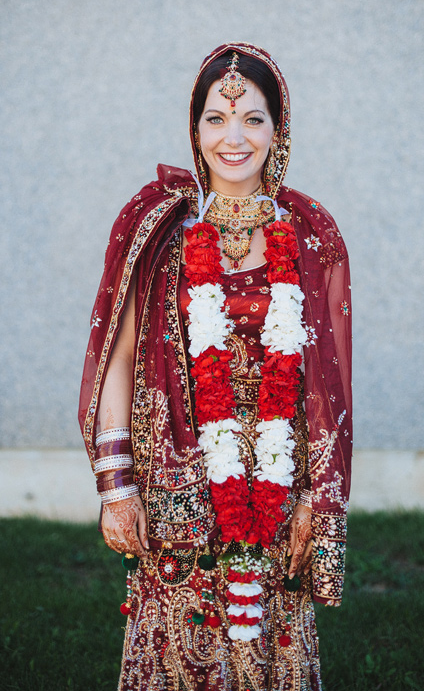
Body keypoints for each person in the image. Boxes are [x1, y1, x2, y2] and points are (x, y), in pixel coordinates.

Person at [78, 43, 351, 690]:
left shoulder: (310, 232)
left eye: (253, 119)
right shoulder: (157, 225)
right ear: (194, 129)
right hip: (178, 489)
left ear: (278, 130)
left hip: (276, 486)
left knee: (273, 637)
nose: (234, 137)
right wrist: (117, 488)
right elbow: (116, 356)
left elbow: (328, 377)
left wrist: (318, 490)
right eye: (216, 118)